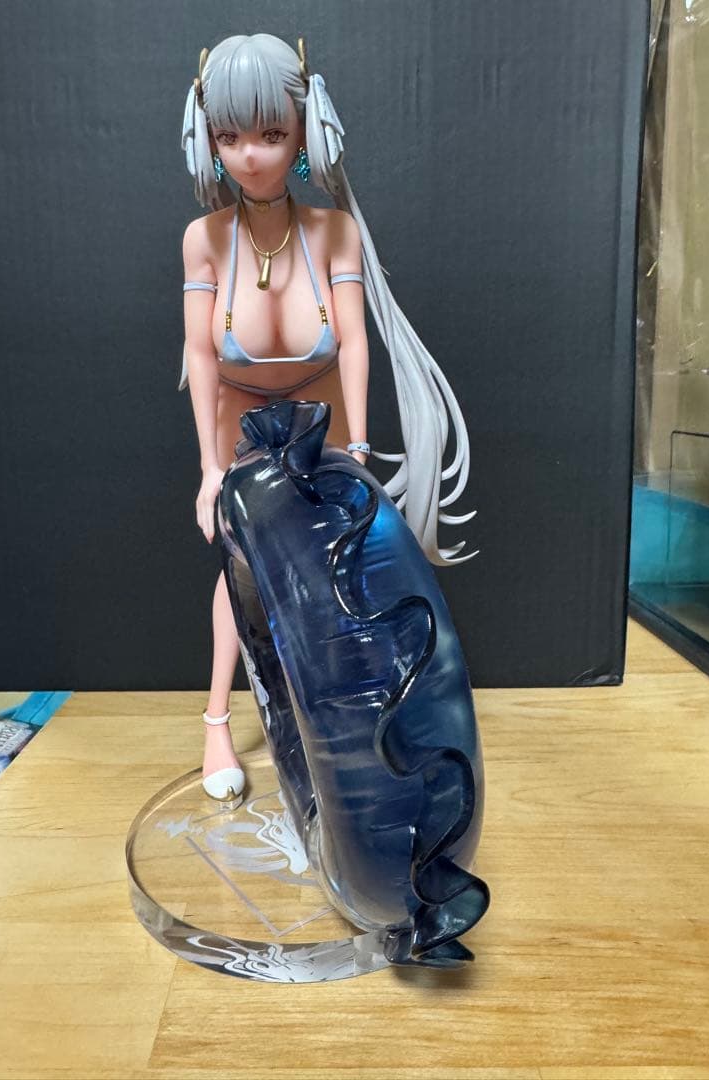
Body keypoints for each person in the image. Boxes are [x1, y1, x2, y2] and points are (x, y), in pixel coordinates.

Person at [179, 34, 476, 806]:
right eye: (229, 136)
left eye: (271, 133)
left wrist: (362, 446)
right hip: (239, 420)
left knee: (339, 564)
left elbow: (354, 341)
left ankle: (346, 721)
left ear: (305, 130)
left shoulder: (333, 230)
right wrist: (209, 470)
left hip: (324, 414)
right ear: (208, 138)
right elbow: (200, 357)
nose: (250, 155)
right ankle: (217, 720)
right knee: (241, 564)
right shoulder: (203, 242)